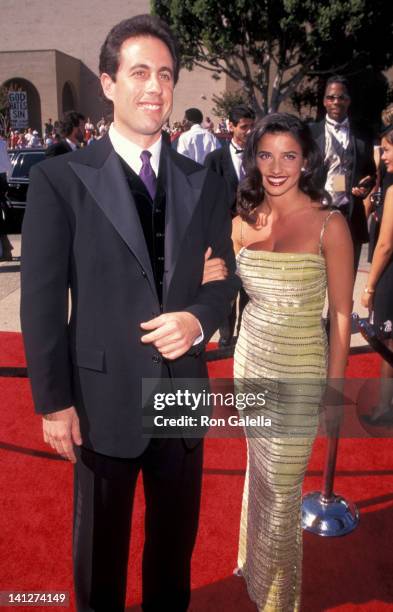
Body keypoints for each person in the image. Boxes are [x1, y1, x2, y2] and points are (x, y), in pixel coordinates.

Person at [21, 13, 238, 612]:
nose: (155, 88)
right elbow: (40, 301)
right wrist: (53, 403)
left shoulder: (203, 179)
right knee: (100, 557)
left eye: (166, 75)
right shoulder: (59, 179)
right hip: (99, 396)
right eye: (139, 72)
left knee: (174, 556)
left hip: (182, 393)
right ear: (108, 82)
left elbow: (226, 280)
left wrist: (198, 319)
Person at [231, 113, 353, 611]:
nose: (276, 167)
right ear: (253, 158)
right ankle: (252, 563)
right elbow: (221, 286)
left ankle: (277, 601)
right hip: (250, 362)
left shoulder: (331, 224)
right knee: (257, 473)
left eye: (289, 155)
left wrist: (335, 389)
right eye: (265, 154)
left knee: (282, 489)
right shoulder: (242, 219)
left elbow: (343, 315)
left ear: (307, 161)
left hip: (301, 371)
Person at [309, 75, 376, 271]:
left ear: (349, 100)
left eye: (341, 97)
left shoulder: (362, 134)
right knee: (314, 280)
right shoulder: (311, 133)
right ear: (324, 101)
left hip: (350, 215)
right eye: (331, 97)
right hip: (317, 214)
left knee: (345, 281)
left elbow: (370, 172)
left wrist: (365, 187)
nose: (336, 101)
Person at [205, 104, 255, 347]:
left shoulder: (260, 158)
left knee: (249, 288)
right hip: (225, 235)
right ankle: (225, 337)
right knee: (226, 288)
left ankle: (244, 334)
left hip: (255, 235)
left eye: (251, 126)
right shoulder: (215, 159)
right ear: (231, 126)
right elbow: (206, 197)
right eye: (244, 127)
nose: (248, 131)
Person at [361, 123, 393, 425]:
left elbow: (384, 244)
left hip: (389, 276)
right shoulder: (386, 183)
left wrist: (369, 286)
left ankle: (385, 407)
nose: (382, 156)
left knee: (387, 341)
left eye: (386, 149)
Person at [0, 130, 13, 261]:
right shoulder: (3, 143)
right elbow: (8, 164)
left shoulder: (2, 143)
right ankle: (6, 248)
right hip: (3, 178)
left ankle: (5, 249)